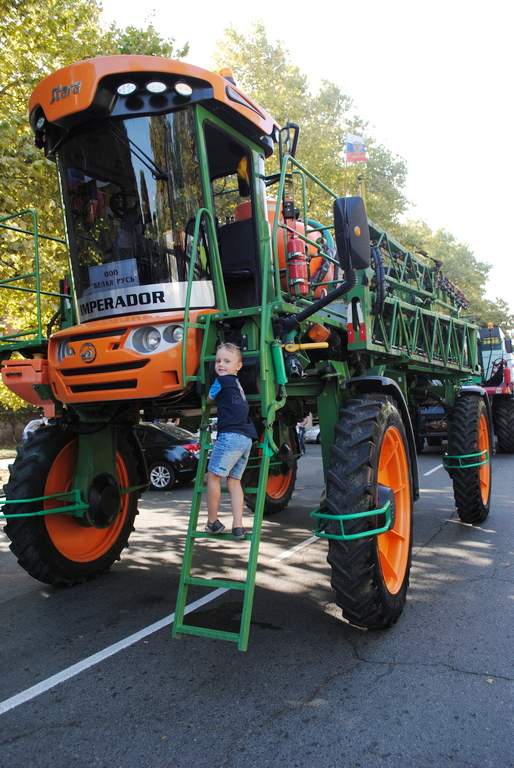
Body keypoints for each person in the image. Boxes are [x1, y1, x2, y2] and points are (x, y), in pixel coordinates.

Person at [205, 343, 257, 540]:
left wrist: (210, 396)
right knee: (234, 481)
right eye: (218, 361)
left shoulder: (221, 381)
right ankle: (238, 526)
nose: (221, 364)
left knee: (213, 476)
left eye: (227, 361)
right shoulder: (237, 384)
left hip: (230, 436)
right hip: (246, 438)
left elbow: (210, 399)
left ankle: (212, 522)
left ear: (238, 366)